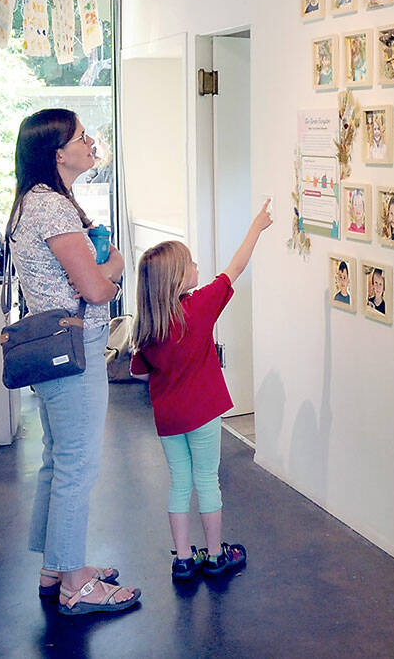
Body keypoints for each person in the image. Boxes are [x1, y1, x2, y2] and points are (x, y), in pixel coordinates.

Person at [7, 109, 139, 615]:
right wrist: (117, 266)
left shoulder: (31, 202)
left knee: (57, 461)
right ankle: (75, 584)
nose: (90, 143)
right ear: (57, 153)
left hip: (50, 348)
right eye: (81, 137)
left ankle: (55, 566)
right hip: (76, 345)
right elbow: (95, 287)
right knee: (77, 468)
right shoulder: (55, 209)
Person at [130, 202, 270, 582]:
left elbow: (140, 374)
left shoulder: (149, 327)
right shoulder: (198, 308)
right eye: (190, 263)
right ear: (177, 279)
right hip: (204, 412)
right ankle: (214, 554)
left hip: (169, 418)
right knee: (207, 478)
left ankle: (183, 558)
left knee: (180, 481)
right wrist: (256, 227)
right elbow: (235, 269)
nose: (196, 267)